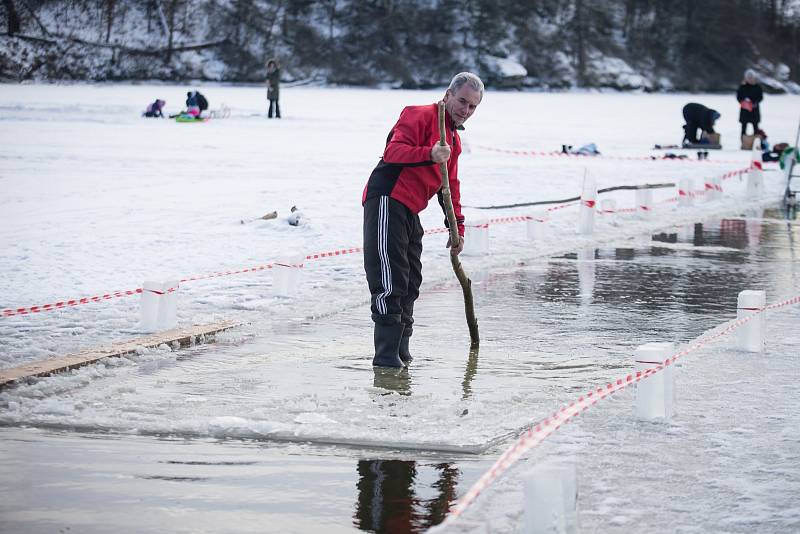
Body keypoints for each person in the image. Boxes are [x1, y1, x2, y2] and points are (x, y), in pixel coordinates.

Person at [362, 72, 483, 368]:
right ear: (448, 95)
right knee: (390, 278)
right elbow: (393, 152)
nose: (465, 110)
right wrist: (429, 153)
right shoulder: (418, 115)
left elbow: (449, 187)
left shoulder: (453, 141)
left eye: (472, 107)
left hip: (411, 209)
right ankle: (386, 358)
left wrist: (457, 229)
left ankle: (402, 351)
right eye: (462, 101)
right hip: (387, 199)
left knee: (411, 279)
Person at [737, 69, 763, 137]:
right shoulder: (742, 86)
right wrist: (743, 102)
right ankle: (744, 143)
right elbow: (739, 97)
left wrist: (755, 102)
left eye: (751, 77)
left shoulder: (757, 87)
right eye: (748, 77)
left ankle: (756, 142)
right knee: (744, 127)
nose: (750, 79)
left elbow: (760, 97)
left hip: (754, 110)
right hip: (745, 110)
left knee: (755, 127)